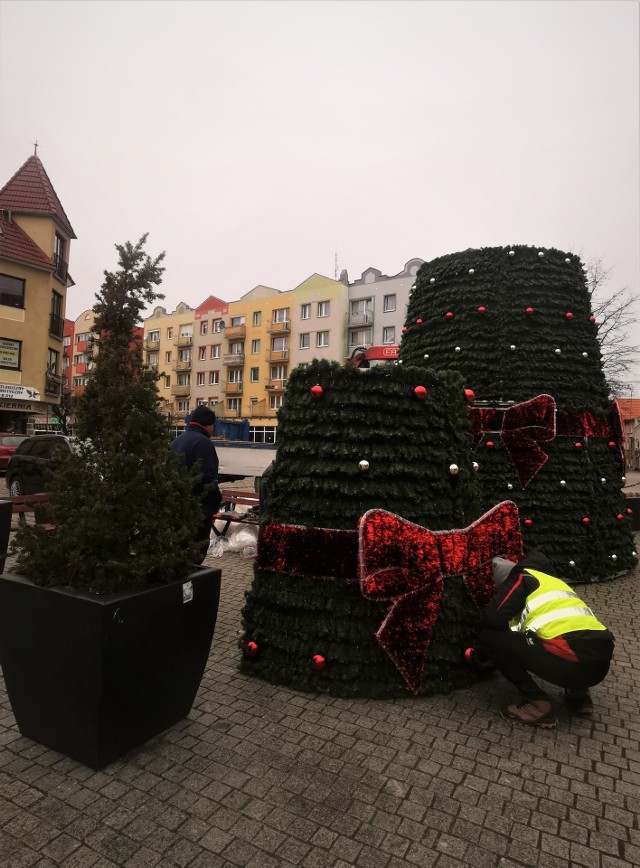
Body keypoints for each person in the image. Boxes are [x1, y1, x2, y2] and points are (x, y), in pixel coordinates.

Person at [477, 550, 615, 728]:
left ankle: (537, 704)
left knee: (488, 637)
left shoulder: (524, 576)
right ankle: (578, 695)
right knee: (567, 639)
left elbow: (493, 617)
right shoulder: (557, 584)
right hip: (600, 664)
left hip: (569, 660)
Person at [170, 405, 222, 563]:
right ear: (208, 425)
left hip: (176, 508)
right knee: (195, 555)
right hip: (197, 511)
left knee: (179, 551)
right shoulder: (203, 443)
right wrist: (215, 502)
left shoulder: (176, 441)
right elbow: (208, 478)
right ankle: (189, 586)